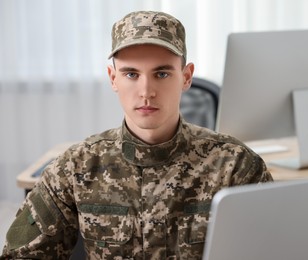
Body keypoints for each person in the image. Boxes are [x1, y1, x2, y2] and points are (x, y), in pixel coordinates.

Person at [1, 10, 273, 259]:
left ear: (186, 77)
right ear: (113, 78)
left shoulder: (235, 166)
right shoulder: (75, 168)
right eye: (131, 74)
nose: (146, 91)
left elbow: (276, 248)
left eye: (162, 74)